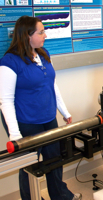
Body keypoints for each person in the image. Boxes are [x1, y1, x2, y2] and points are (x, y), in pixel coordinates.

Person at [0, 16, 82, 200]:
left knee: (54, 159)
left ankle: (60, 196)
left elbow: (52, 85)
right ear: (27, 35)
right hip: (26, 121)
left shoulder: (43, 53)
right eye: (41, 32)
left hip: (48, 117)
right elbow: (5, 100)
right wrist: (14, 135)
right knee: (29, 165)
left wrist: (64, 111)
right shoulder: (9, 62)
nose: (45, 35)